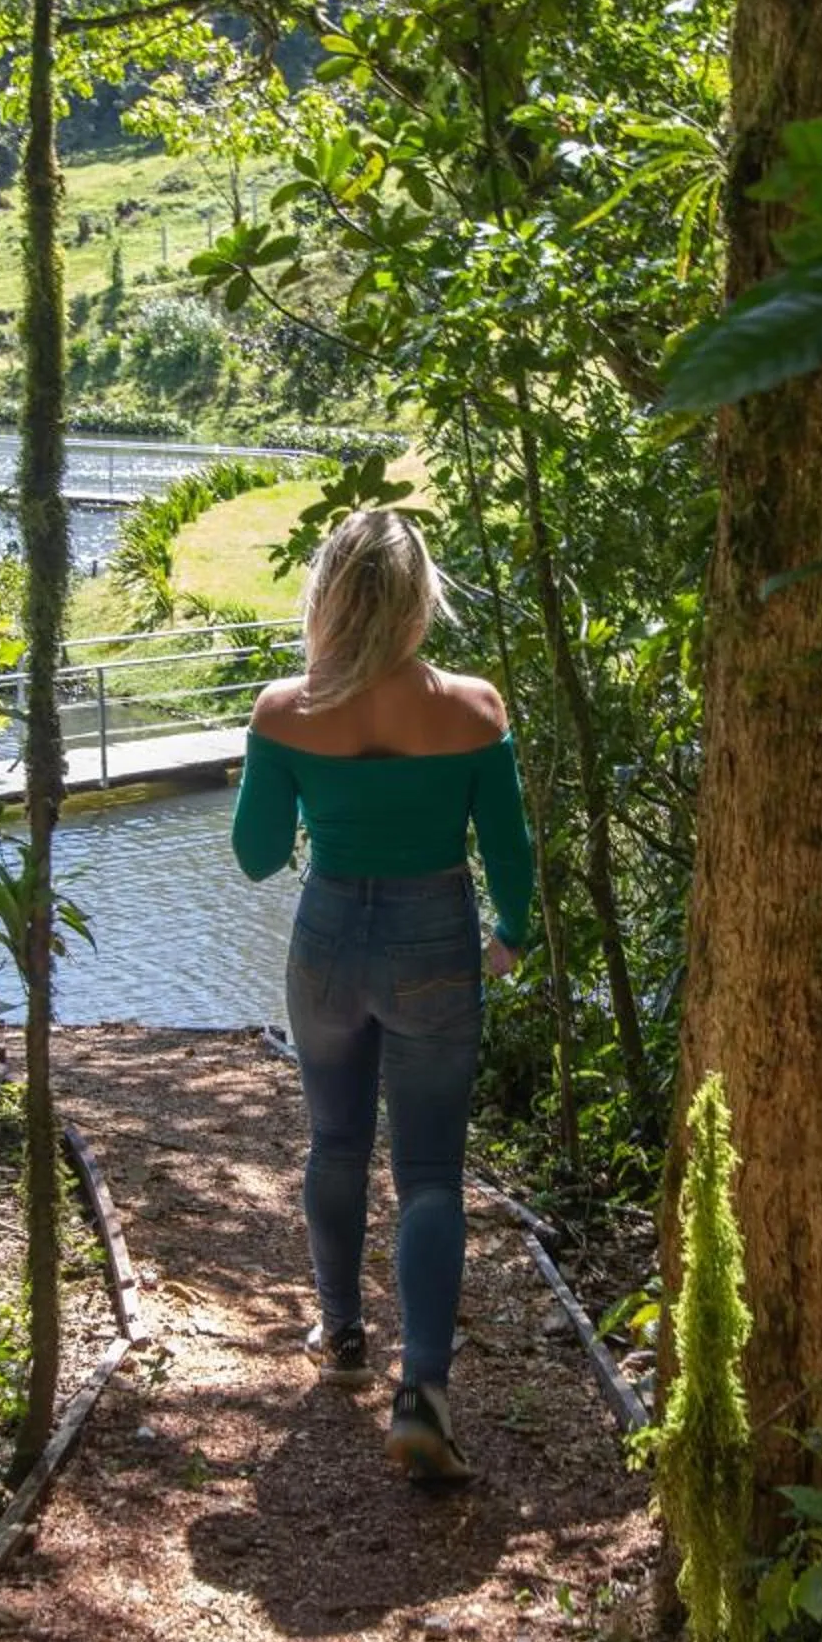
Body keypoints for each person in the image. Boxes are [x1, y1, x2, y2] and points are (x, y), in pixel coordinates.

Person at [230, 509, 534, 1483]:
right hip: (435, 935)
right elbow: (515, 860)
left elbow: (257, 856)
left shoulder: (284, 710)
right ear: (415, 600)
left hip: (326, 941)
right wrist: (510, 938)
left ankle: (341, 1334)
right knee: (433, 1172)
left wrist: (285, 775)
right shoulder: (475, 710)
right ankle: (424, 1397)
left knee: (334, 1142)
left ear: (328, 598)